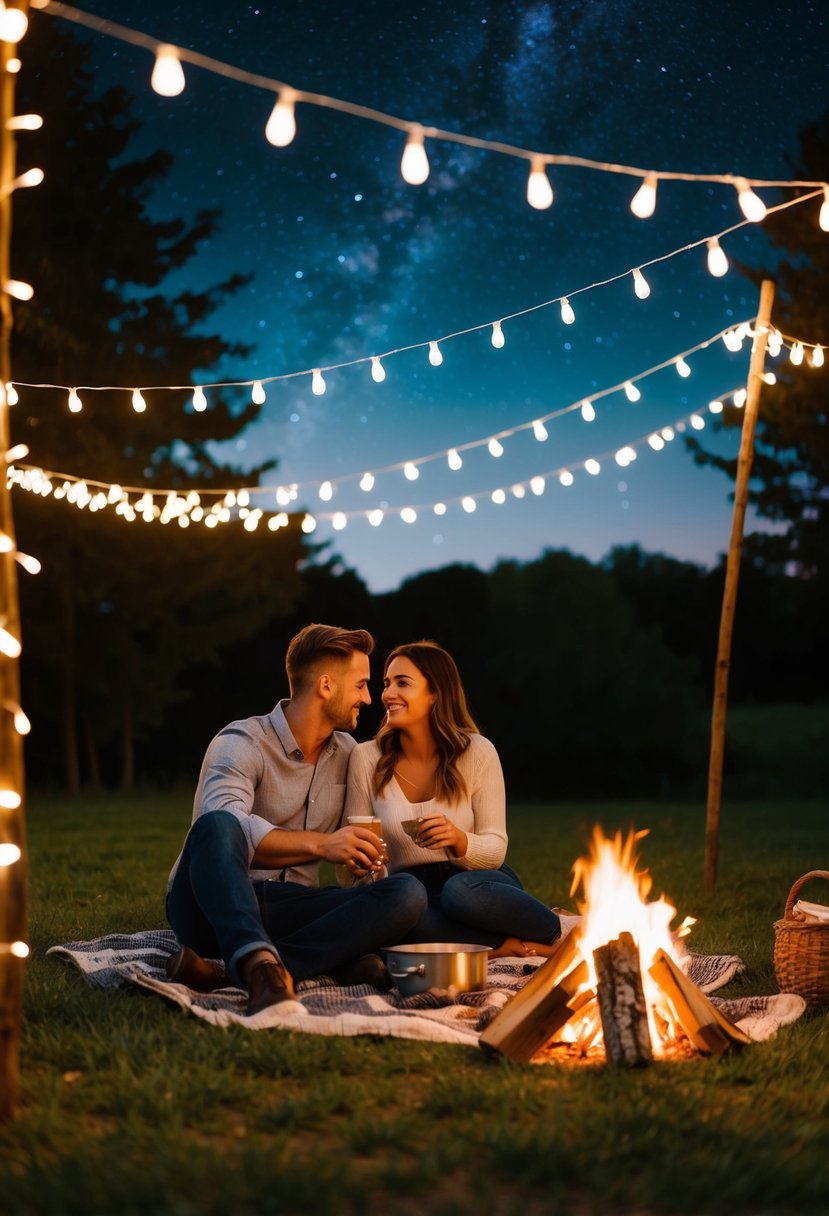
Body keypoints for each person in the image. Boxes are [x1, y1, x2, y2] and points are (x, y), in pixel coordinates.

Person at [165, 623, 427, 1016]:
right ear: (326, 686)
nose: (369, 699)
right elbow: (224, 826)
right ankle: (294, 962)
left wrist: (362, 860)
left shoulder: (348, 754)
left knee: (407, 893)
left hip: (290, 908)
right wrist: (322, 844)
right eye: (360, 685)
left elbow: (359, 856)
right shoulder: (240, 742)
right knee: (218, 824)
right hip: (211, 903)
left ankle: (246, 971)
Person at [342, 640, 561, 957]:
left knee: (458, 893)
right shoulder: (365, 758)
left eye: (402, 683)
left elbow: (496, 847)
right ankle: (505, 948)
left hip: (477, 883)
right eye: (386, 684)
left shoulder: (477, 752)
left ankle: (554, 930)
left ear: (434, 695)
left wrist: (459, 841)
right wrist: (364, 865)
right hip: (412, 893)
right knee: (401, 919)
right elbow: (353, 871)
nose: (387, 694)